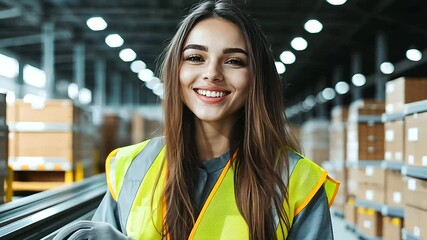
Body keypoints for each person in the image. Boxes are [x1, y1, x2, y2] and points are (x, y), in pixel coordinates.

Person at [54, 0, 339, 239]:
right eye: (195, 57)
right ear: (175, 71)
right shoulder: (130, 167)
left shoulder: (298, 181)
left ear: (256, 78)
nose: (212, 73)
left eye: (234, 61)